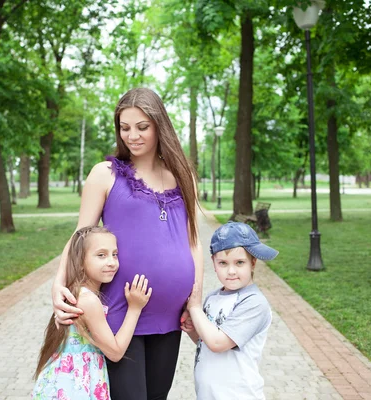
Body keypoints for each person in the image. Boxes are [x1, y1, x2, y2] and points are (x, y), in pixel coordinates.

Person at [51, 88, 204, 400]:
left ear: (160, 125)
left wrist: (195, 300)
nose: (132, 135)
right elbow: (80, 235)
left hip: (170, 316)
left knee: (157, 396)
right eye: (125, 127)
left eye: (142, 127)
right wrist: (58, 285)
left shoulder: (183, 174)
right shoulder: (105, 175)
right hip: (122, 312)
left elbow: (194, 241)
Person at [32, 226, 152, 400]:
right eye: (101, 255)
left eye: (115, 254)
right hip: (75, 387)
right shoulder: (88, 301)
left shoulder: (77, 292)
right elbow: (115, 352)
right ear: (80, 261)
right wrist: (135, 308)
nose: (111, 262)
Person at [184, 222, 279, 400]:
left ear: (253, 263)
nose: (231, 271)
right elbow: (206, 341)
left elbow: (218, 343)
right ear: (213, 263)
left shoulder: (254, 303)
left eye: (239, 262)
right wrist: (194, 330)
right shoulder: (213, 298)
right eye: (223, 263)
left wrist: (195, 309)